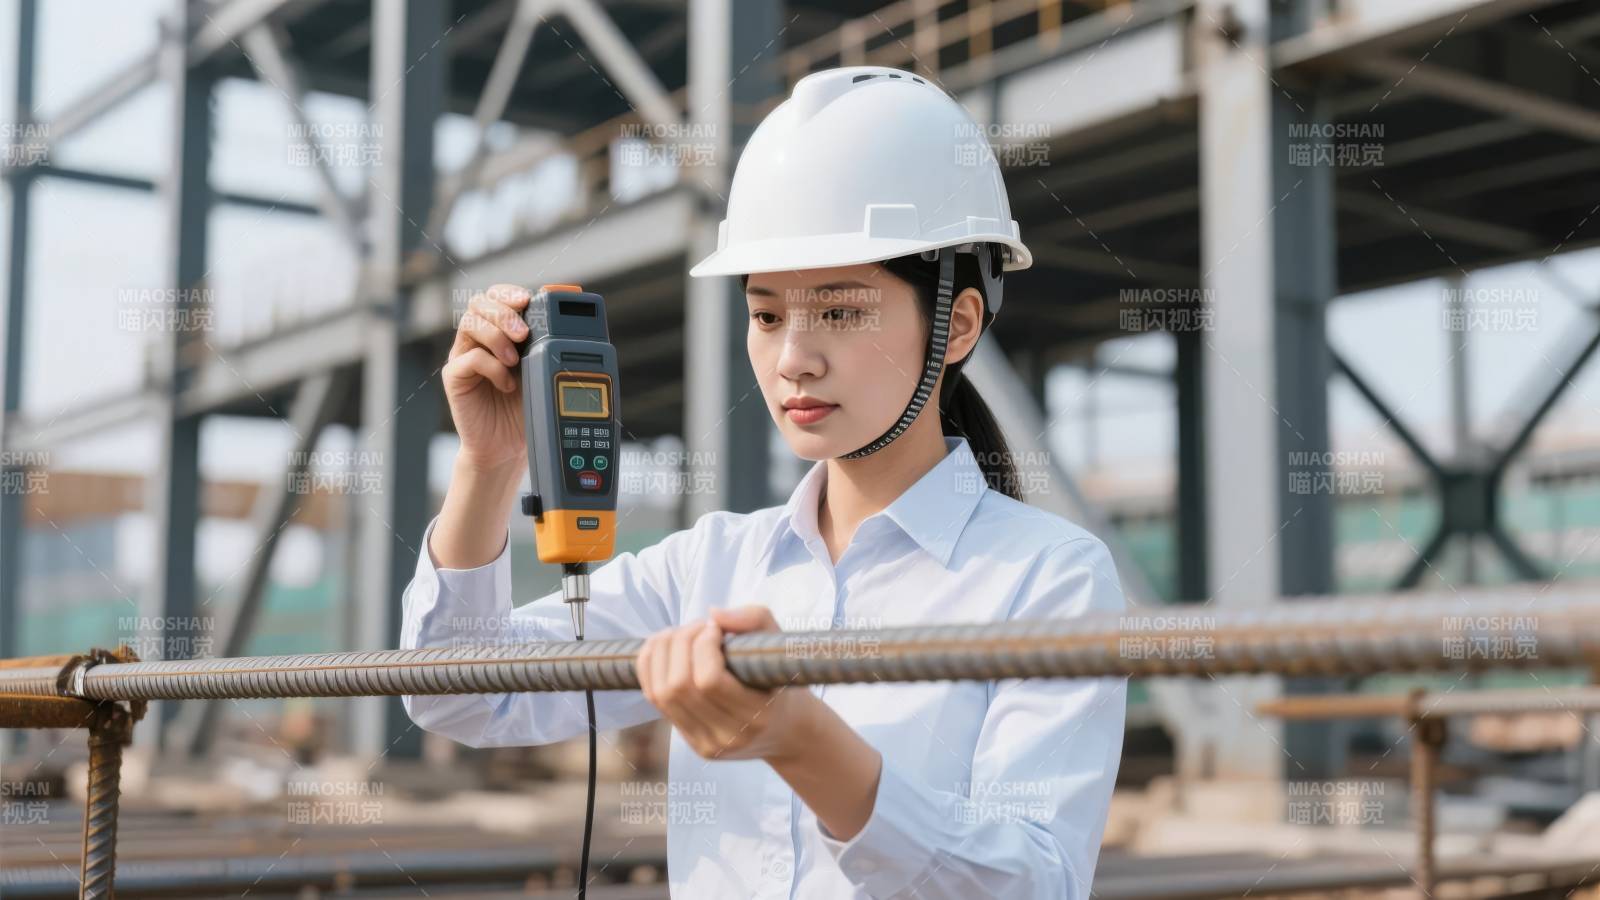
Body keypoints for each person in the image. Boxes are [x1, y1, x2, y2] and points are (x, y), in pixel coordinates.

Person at [400, 64, 1126, 899]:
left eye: (842, 311)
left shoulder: (1048, 580)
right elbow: (460, 698)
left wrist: (802, 741)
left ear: (956, 325)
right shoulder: (707, 570)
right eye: (768, 313)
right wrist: (487, 467)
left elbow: (1032, 884)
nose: (792, 359)